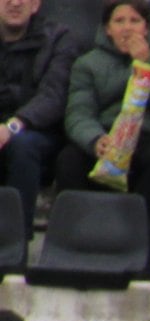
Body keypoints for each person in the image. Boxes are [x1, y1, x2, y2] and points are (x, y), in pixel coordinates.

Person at [56, 0, 150, 224]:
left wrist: (147, 64)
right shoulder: (87, 63)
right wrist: (95, 139)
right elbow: (79, 112)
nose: (127, 28)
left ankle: (141, 232)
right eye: (119, 21)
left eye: (135, 21)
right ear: (108, 28)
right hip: (107, 134)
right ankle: (76, 230)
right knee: (69, 160)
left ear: (146, 28)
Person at [0, 0, 79, 219]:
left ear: (36, 4)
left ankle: (16, 237)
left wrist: (12, 126)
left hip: (38, 130)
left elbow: (53, 96)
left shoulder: (58, 38)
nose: (15, 3)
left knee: (22, 145)